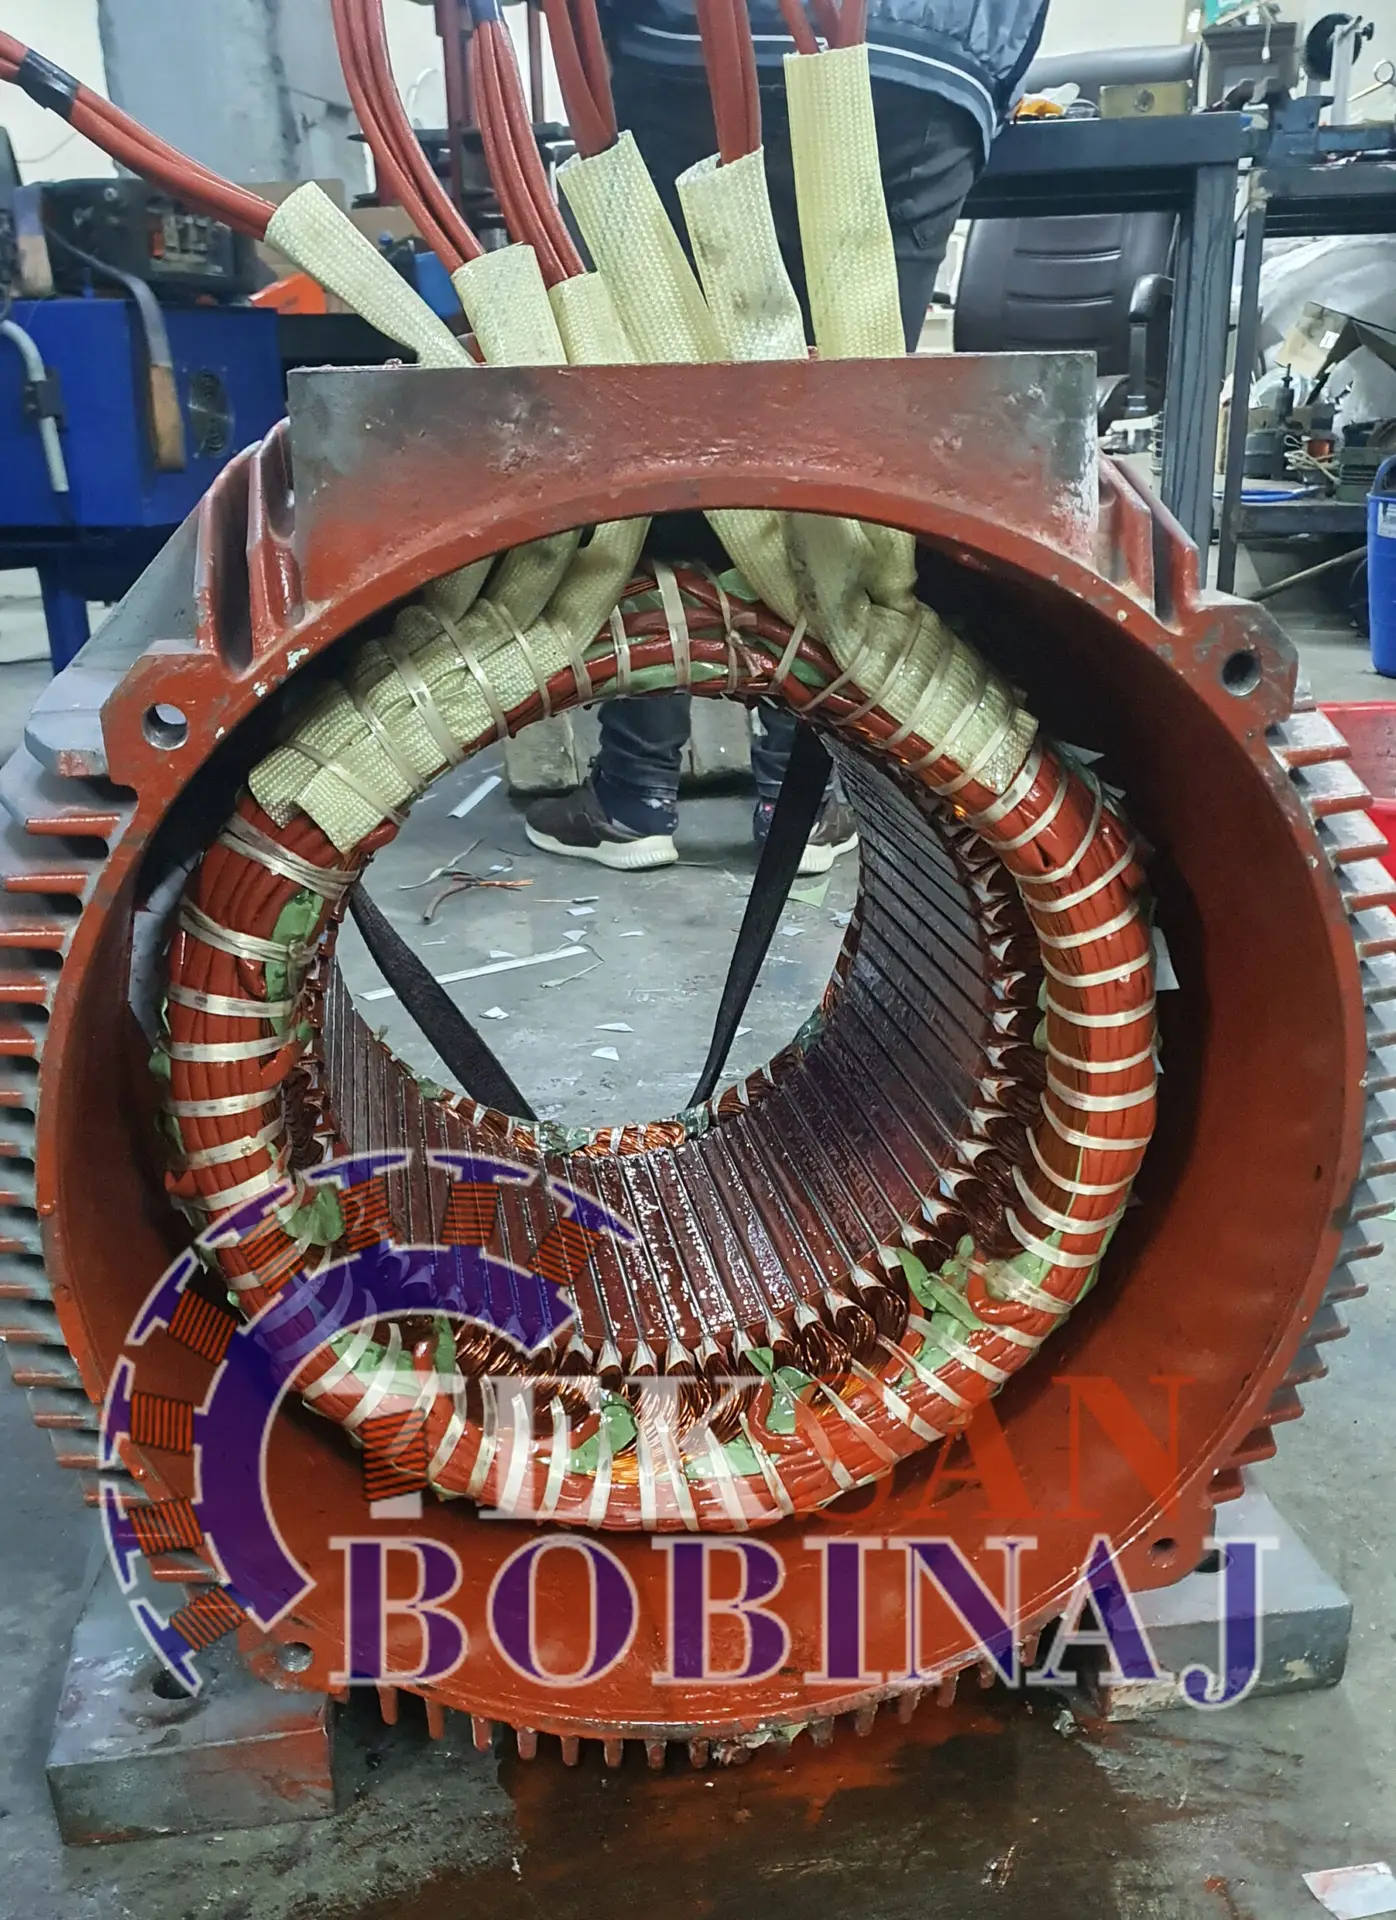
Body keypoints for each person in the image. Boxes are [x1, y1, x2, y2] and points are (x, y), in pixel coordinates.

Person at [526, 0, 1051, 874]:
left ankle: (636, 795)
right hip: (929, 71)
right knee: (835, 446)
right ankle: (796, 801)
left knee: (665, 439)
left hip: (684, 46)